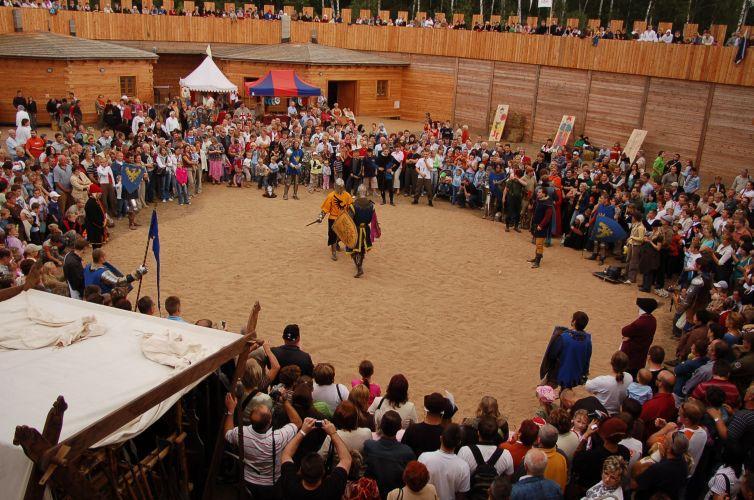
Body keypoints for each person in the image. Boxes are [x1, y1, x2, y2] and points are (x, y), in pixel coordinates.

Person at [223, 384, 303, 500]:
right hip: (270, 484)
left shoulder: (242, 432)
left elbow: (227, 433)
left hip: (247, 481)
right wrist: (285, 401)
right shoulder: (277, 437)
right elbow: (297, 422)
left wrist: (231, 411)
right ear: (270, 421)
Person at [279, 417, 351, 499]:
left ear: (301, 472)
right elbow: (346, 459)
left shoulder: (291, 486)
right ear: (323, 472)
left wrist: (302, 432)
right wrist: (333, 433)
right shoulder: (332, 488)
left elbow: (286, 454)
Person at [364, 410, 416, 498]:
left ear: (380, 426)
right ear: (400, 427)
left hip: (375, 494)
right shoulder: (407, 452)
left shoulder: (369, 446)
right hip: (396, 496)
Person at [541, 311, 593, 389]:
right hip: (575, 374)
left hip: (559, 372)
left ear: (574, 322)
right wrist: (584, 373)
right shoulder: (588, 340)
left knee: (546, 390)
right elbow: (587, 359)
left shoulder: (564, 337)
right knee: (566, 394)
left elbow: (552, 355)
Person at [418, 424, 470, 500]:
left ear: (441, 438)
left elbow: (417, 485)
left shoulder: (424, 457)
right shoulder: (463, 466)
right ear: (459, 442)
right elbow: (461, 495)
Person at [631, 432, 690, 499]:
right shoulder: (684, 465)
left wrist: (638, 466)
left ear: (669, 448)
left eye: (665, 439)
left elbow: (633, 485)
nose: (663, 439)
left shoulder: (657, 468)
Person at [82, 248, 147, 298]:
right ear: (101, 258)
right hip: (101, 300)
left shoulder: (87, 267)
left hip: (89, 297)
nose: (105, 258)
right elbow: (119, 282)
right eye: (104, 256)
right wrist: (138, 272)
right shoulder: (103, 273)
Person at [402, 392, 450, 458]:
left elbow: (403, 452)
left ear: (426, 409)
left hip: (415, 466)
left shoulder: (412, 429)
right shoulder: (446, 434)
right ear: (442, 411)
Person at [620, 298, 658, 378]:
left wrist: (629, 337)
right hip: (642, 355)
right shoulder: (652, 320)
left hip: (631, 355)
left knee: (627, 375)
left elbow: (625, 331)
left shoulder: (640, 322)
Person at [317, 178, 354, 261]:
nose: (340, 189)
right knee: (333, 236)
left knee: (343, 235)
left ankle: (336, 243)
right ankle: (334, 252)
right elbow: (325, 209)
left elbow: (352, 208)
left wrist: (351, 218)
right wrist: (320, 217)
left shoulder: (347, 195)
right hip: (333, 219)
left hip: (343, 218)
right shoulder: (331, 196)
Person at [347, 184, 377, 278]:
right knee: (362, 249)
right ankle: (360, 265)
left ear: (358, 193)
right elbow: (374, 219)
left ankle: (359, 267)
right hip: (366, 230)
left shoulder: (354, 205)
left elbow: (349, 220)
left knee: (353, 249)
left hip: (356, 230)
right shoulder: (371, 205)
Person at [528, 188, 553, 268]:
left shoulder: (548, 203)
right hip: (536, 225)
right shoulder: (538, 200)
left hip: (542, 226)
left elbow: (547, 217)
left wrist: (541, 225)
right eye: (537, 192)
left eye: (539, 192)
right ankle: (536, 258)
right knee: (537, 243)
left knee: (539, 244)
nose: (537, 193)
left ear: (544, 194)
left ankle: (537, 262)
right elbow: (535, 211)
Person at [84, 184, 107, 249]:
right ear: (94, 193)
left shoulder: (95, 201)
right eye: (99, 193)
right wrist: (102, 224)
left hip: (97, 227)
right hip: (94, 229)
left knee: (98, 246)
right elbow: (93, 218)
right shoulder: (91, 204)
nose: (100, 194)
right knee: (96, 246)